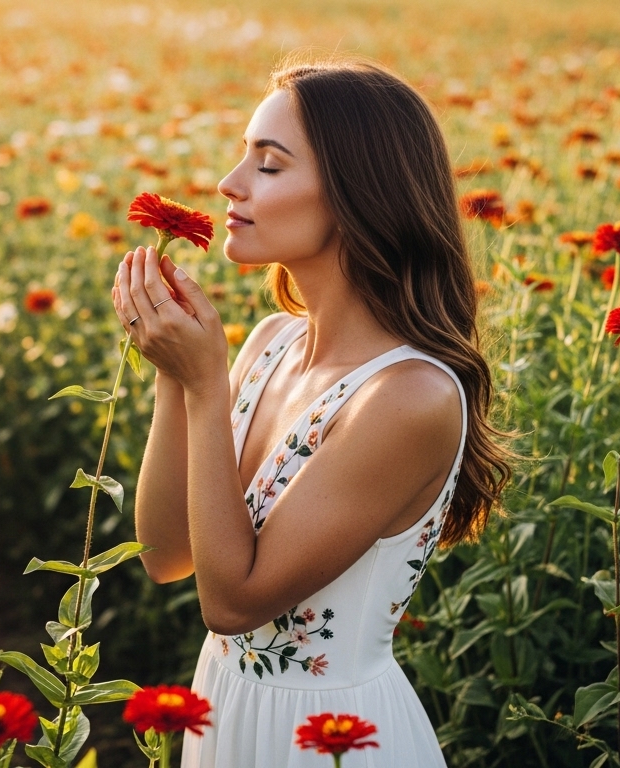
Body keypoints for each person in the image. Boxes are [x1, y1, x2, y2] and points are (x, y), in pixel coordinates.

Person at [110, 55, 514, 767]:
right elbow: (168, 555)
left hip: (330, 739)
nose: (228, 184)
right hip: (225, 710)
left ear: (358, 195)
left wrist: (206, 385)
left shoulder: (409, 397)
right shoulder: (272, 342)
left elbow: (234, 604)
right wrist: (174, 375)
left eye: (268, 164)